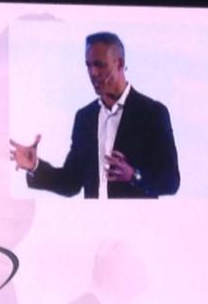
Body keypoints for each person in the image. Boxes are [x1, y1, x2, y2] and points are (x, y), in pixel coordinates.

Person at [9, 31, 179, 198]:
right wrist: (35, 166)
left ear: (120, 64)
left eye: (99, 65)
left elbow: (171, 182)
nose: (93, 73)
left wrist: (134, 176)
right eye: (88, 65)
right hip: (93, 216)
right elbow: (70, 183)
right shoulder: (85, 117)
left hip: (136, 216)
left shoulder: (152, 113)